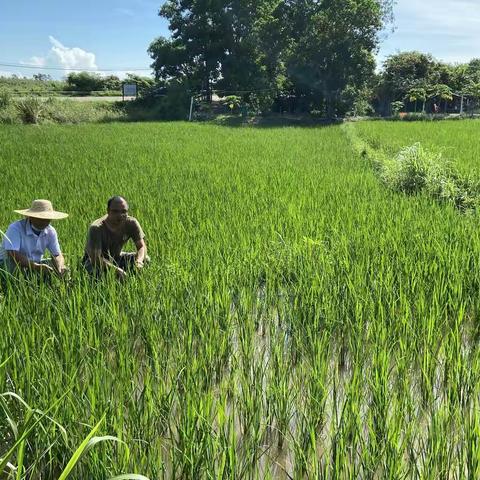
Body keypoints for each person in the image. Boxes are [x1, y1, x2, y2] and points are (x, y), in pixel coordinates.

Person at [82, 196, 148, 279]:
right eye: (115, 211)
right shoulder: (96, 228)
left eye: (124, 211)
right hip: (94, 262)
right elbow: (96, 258)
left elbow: (141, 246)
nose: (120, 215)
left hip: (116, 257)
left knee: (146, 259)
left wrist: (139, 261)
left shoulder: (131, 223)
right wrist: (117, 270)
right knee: (100, 274)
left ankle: (132, 281)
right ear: (108, 211)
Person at [0, 199, 69, 277]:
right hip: (9, 263)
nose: (44, 222)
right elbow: (13, 254)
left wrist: (60, 266)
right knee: (13, 266)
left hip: (35, 263)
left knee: (62, 268)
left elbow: (57, 254)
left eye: (47, 219)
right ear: (30, 217)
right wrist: (35, 266)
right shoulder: (15, 228)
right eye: (40, 218)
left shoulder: (50, 231)